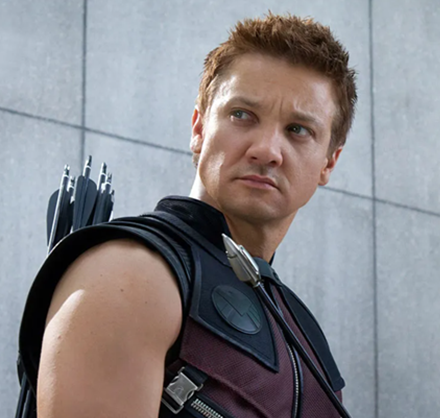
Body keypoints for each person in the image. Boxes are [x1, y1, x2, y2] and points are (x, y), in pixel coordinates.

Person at [18, 12, 357, 418]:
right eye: (242, 115)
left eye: (298, 129)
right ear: (198, 128)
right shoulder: (132, 276)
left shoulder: (306, 338)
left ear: (328, 163)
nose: (267, 150)